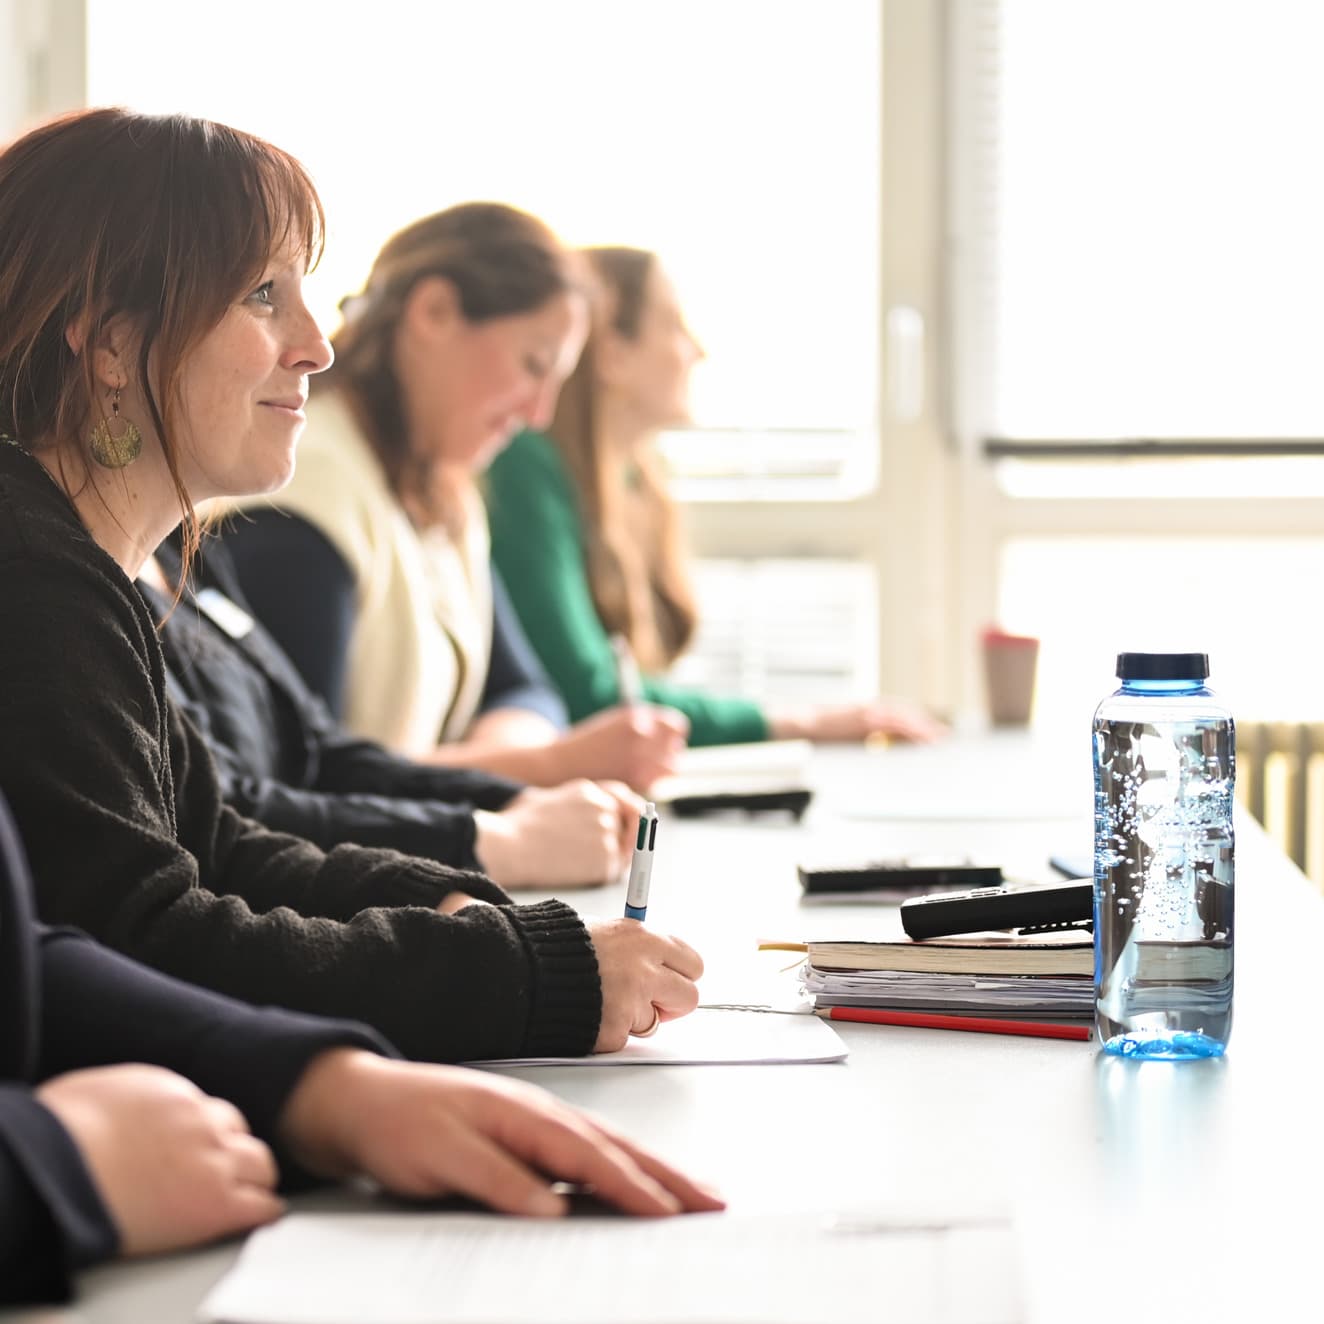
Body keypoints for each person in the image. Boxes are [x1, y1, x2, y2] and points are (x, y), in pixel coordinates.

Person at [0, 108, 700, 1065]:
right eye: (260, 294)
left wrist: (440, 898)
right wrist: (532, 973)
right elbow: (147, 937)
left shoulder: (80, 565)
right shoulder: (33, 581)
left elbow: (222, 844)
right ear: (114, 344)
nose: (315, 344)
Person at [0, 792, 723, 1306]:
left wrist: (321, 1085)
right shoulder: (51, 585)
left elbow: (35, 947)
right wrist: (51, 1165)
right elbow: (132, 922)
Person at [216, 203, 689, 794]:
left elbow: (522, 688)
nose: (538, 414)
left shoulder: (447, 493)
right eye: (532, 365)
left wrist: (492, 764)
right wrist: (539, 767)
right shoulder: (302, 496)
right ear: (434, 312)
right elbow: (308, 779)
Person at [485, 247, 948, 747]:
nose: (698, 351)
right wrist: (800, 723)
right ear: (614, 353)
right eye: (676, 327)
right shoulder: (524, 468)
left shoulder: (639, 481)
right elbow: (589, 697)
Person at [139, 532, 640, 890]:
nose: (309, 375)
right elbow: (218, 823)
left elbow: (318, 747)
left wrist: (509, 801)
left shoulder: (181, 548)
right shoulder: (292, 534)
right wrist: (492, 839)